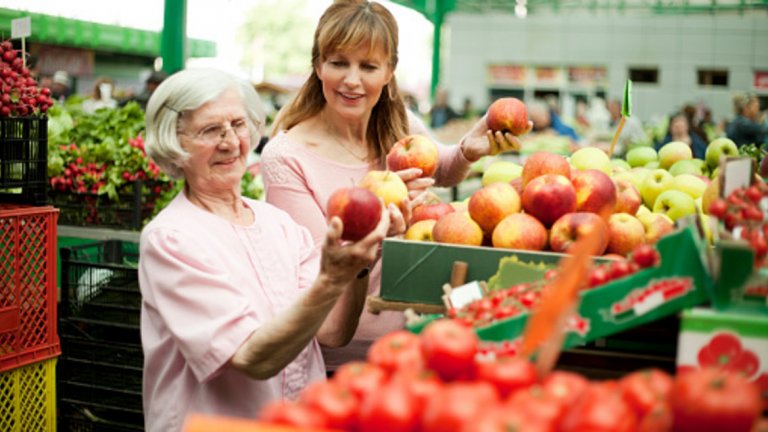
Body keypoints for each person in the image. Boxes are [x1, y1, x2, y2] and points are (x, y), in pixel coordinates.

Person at [260, 0, 527, 373]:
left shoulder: (396, 123)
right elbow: (325, 271)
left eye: (368, 66)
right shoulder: (286, 158)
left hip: (417, 337)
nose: (352, 80)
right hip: (341, 357)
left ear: (389, 72)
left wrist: (468, 149)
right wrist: (374, 220)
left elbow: (441, 169)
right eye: (339, 63)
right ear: (318, 65)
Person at [139, 68, 398, 432]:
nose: (230, 142)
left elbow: (333, 332)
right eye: (210, 130)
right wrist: (331, 279)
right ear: (174, 145)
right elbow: (252, 358)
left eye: (238, 124)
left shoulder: (278, 224)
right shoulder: (171, 239)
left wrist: (359, 263)